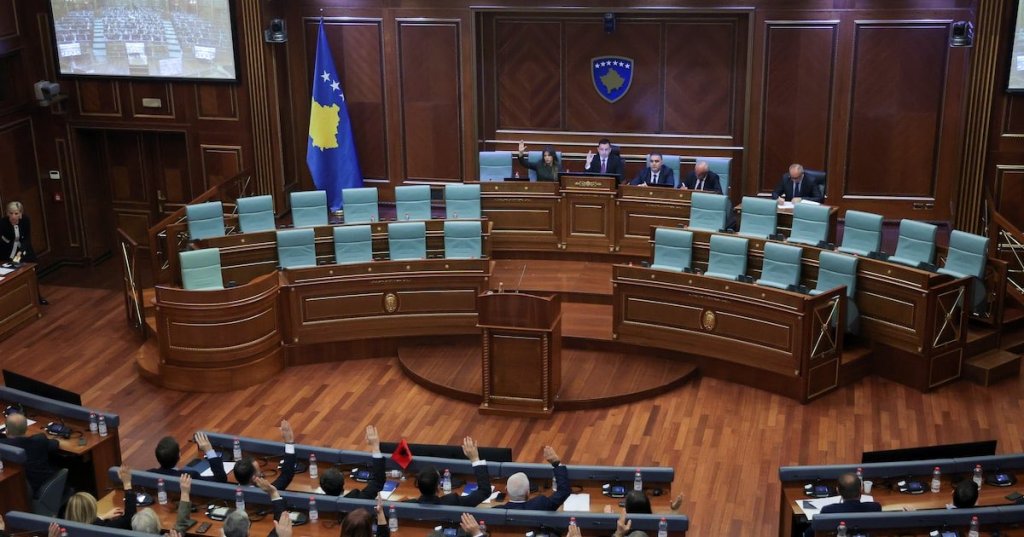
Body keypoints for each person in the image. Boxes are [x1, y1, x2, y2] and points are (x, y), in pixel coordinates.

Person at [413, 436, 492, 506]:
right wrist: (475, 459)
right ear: (438, 487)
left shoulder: (408, 505)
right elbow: (484, 491)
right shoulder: (452, 502)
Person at [217, 420, 296, 490]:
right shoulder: (268, 494)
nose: (262, 474)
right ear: (254, 478)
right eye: (260, 473)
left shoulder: (231, 491)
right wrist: (289, 442)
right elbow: (286, 475)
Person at [0, 412, 59, 498]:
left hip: (16, 490)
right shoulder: (39, 440)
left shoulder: (2, 447)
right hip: (41, 484)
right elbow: (55, 444)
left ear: (7, 430)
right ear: (26, 429)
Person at [0, 201, 48, 304]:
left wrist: (21, 252)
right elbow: (4, 240)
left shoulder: (25, 221)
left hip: (25, 250)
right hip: (7, 252)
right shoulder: (2, 224)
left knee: (31, 273)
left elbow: (26, 238)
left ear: (21, 213)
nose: (13, 216)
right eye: (11, 213)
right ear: (7, 213)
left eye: (16, 213)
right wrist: (13, 253)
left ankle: (37, 298)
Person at [319, 425, 385, 498]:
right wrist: (375, 446)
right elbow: (378, 481)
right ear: (343, 483)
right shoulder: (357, 498)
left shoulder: (314, 501)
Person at [65, 465, 137, 529]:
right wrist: (127, 483)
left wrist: (103, 517)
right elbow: (130, 517)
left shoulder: (64, 528)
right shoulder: (105, 528)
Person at [502, 446, 570, 510]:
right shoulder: (541, 505)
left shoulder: (497, 511)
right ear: (528, 492)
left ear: (506, 490)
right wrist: (556, 463)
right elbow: (563, 492)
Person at [149, 432, 226, 480]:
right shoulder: (190, 477)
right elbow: (220, 479)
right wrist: (209, 450)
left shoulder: (149, 474)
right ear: (179, 455)